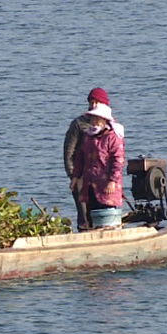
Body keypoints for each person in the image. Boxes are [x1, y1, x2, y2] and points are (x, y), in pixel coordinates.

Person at [70, 102, 125, 230]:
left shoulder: (113, 138)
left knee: (106, 212)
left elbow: (118, 161)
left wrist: (112, 181)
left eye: (97, 120)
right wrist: (75, 177)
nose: (94, 122)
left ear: (104, 121)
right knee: (91, 212)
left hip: (106, 185)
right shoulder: (88, 137)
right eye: (92, 119)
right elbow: (80, 158)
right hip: (90, 183)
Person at [63, 88, 109, 231]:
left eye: (97, 102)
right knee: (83, 212)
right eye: (91, 102)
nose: (94, 104)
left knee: (101, 208)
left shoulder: (108, 125)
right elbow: (69, 151)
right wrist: (73, 175)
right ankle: (84, 233)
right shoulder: (79, 124)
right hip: (81, 173)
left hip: (100, 174)